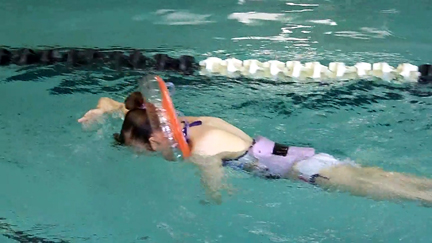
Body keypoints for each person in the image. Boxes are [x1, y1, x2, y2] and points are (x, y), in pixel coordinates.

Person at [78, 91, 432, 206]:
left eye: (135, 148)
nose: (135, 153)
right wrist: (103, 109)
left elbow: (217, 194)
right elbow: (127, 106)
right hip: (309, 160)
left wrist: (207, 202)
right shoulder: (184, 121)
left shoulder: (201, 151)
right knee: (399, 182)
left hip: (309, 174)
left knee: (406, 194)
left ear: (154, 140)